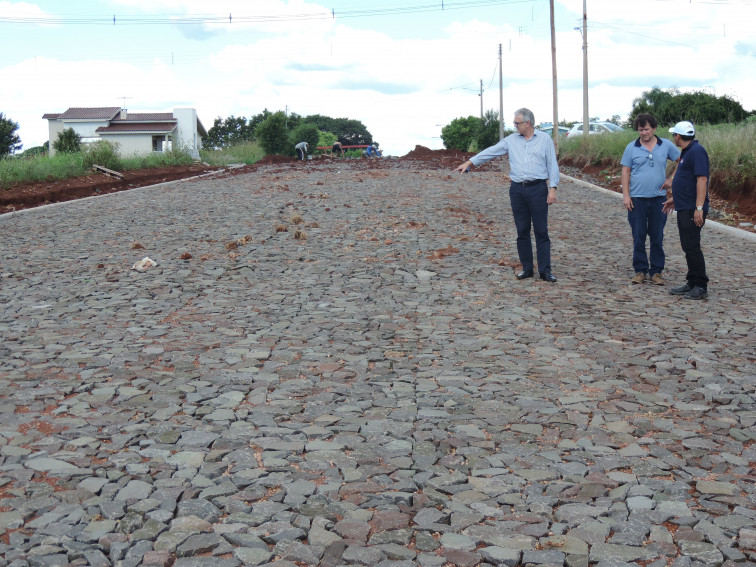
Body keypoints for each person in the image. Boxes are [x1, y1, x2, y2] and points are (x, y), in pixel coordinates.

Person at [455, 108, 560, 282]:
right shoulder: (511, 140)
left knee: (541, 231)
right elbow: (491, 151)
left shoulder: (544, 139)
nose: (514, 126)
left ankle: (545, 270)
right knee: (522, 230)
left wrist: (553, 188)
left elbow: (552, 165)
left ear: (528, 123)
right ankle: (527, 268)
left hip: (538, 189)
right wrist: (470, 162)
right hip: (517, 190)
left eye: (517, 123)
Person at [620, 113, 680, 285]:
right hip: (637, 200)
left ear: (654, 128)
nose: (644, 133)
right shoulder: (631, 148)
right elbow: (625, 172)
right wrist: (626, 196)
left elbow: (681, 160)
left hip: (658, 199)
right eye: (640, 130)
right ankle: (640, 271)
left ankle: (656, 272)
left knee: (657, 236)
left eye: (646, 129)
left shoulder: (666, 145)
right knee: (638, 236)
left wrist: (672, 179)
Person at [663, 121, 710, 300]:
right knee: (687, 245)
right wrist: (676, 199)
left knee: (692, 246)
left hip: (693, 208)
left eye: (674, 134)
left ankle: (700, 285)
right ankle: (691, 281)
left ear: (678, 136)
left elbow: (702, 180)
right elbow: (687, 180)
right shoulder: (687, 151)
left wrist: (699, 208)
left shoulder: (697, 152)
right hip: (685, 205)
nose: (673, 137)